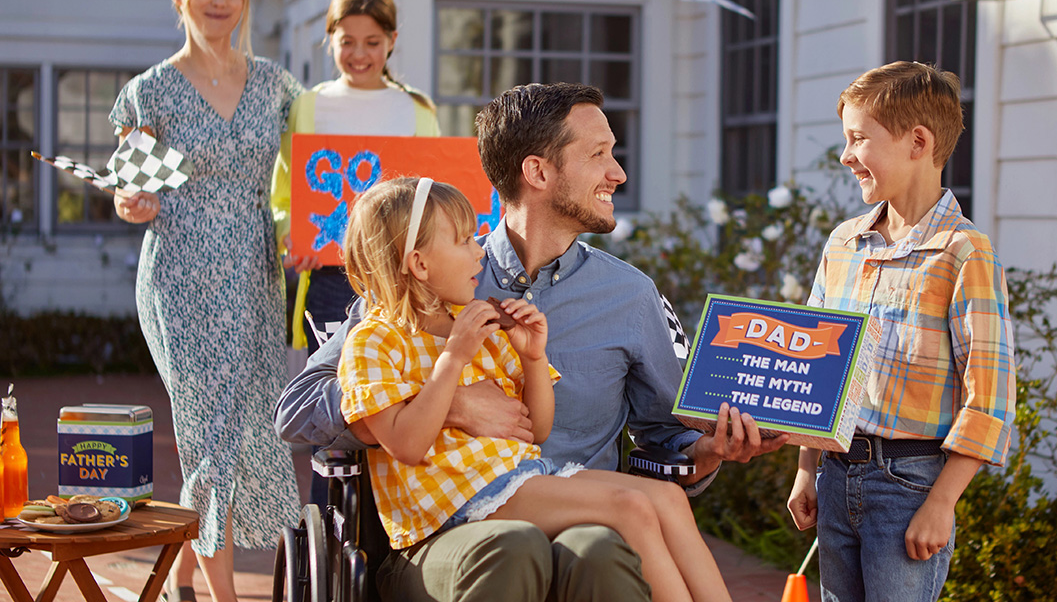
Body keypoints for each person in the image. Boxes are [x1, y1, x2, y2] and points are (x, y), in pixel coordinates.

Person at [275, 82, 789, 602]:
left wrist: (708, 449)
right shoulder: (427, 281)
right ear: (538, 172)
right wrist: (444, 404)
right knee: (513, 548)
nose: (619, 173)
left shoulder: (631, 295)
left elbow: (665, 436)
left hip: (585, 510)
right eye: (599, 155)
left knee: (601, 552)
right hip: (446, 526)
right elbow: (295, 410)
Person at [339, 176, 732, 602]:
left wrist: (532, 357)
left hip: (516, 477)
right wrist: (453, 360)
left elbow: (537, 429)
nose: (479, 251)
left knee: (666, 499)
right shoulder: (375, 340)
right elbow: (407, 445)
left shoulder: (476, 321)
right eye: (466, 241)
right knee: (630, 507)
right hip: (455, 503)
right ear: (419, 264)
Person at [111, 0, 302, 602]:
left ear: (245, 0)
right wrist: (132, 201)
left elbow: (315, 163)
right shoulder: (151, 92)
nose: (220, 2)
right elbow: (127, 192)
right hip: (180, 279)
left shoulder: (278, 85)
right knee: (207, 433)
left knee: (245, 424)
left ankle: (180, 575)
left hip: (253, 273)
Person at [786, 61, 1016, 601]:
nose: (845, 156)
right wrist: (805, 468)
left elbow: (991, 397)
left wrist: (941, 503)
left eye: (858, 138)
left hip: (911, 486)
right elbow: (816, 369)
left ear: (918, 141)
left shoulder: (965, 253)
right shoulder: (843, 244)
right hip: (836, 477)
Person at [269, 0, 440, 507]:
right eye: (347, 41)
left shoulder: (416, 110)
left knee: (395, 387)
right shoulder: (309, 106)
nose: (359, 53)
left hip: (400, 281)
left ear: (391, 41)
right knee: (341, 395)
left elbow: (432, 196)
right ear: (329, 40)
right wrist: (289, 237)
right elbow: (284, 191)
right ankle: (329, 513)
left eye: (371, 41)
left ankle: (392, 513)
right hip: (329, 279)